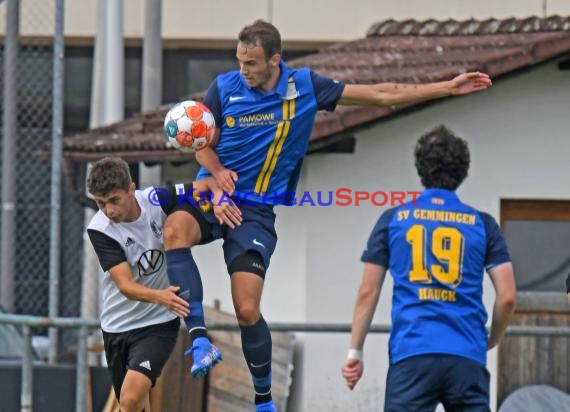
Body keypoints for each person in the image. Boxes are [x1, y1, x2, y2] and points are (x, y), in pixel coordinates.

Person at [167, 19, 493, 412]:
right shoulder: (224, 88)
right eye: (239, 61)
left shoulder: (304, 87)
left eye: (251, 63)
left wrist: (444, 87)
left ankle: (264, 401)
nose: (243, 71)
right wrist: (217, 175)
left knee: (248, 308)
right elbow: (200, 141)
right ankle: (200, 339)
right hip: (213, 193)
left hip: (254, 209)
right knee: (174, 230)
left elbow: (380, 94)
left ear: (275, 60)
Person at [341, 126, 517, 411]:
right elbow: (507, 296)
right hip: (466, 355)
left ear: (421, 169)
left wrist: (355, 351)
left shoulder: (393, 219)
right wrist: (490, 341)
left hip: (412, 352)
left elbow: (368, 291)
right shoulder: (483, 225)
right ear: (463, 171)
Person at [86, 157, 241, 411]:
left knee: (130, 398)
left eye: (114, 200)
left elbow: (207, 183)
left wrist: (218, 197)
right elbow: (125, 285)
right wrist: (161, 296)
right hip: (117, 326)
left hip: (157, 324)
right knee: (136, 403)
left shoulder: (155, 200)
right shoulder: (100, 229)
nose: (108, 210)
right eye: (101, 203)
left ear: (131, 189)